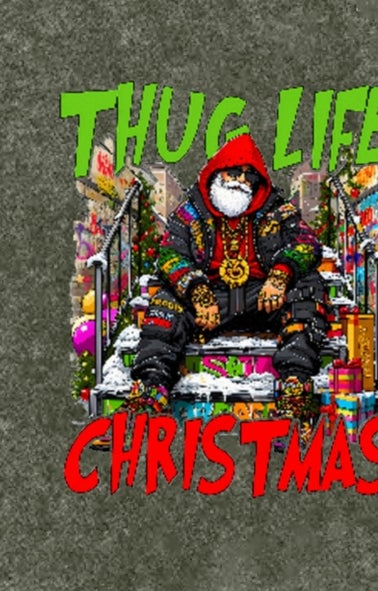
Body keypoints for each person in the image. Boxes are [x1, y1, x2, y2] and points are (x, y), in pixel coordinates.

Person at [125, 133, 334, 447]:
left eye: (249, 176)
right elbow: (169, 255)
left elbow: (307, 244)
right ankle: (149, 395)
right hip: (209, 298)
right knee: (165, 300)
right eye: (234, 172)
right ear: (217, 172)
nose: (241, 182)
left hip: (260, 298)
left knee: (308, 286)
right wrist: (197, 291)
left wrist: (280, 275)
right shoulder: (190, 212)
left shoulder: (276, 209)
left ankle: (295, 391)